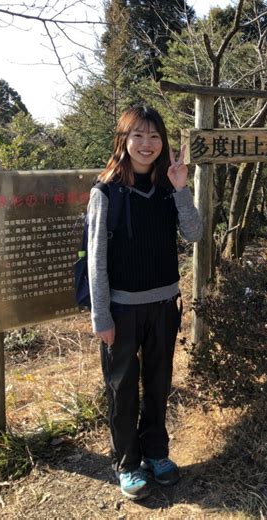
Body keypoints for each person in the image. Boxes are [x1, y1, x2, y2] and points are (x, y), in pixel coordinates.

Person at [86, 105, 202, 501]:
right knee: (122, 390)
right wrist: (101, 316)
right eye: (138, 135)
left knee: (157, 383)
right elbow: (96, 258)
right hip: (120, 309)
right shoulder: (105, 191)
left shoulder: (169, 186)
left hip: (164, 303)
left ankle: (156, 452)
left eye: (154, 136)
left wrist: (182, 186)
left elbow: (194, 233)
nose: (147, 144)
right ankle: (127, 462)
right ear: (124, 140)